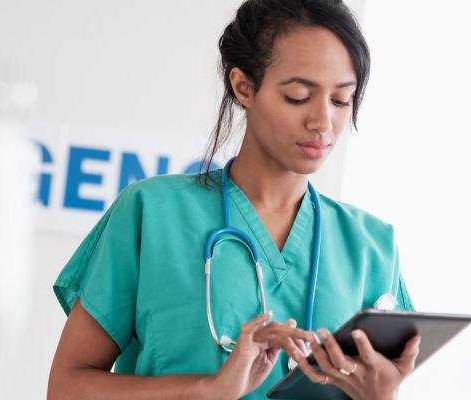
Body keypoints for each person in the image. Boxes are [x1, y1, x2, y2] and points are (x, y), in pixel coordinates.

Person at [48, 0, 420, 399]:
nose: (323, 122)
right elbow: (66, 387)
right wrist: (210, 389)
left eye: (342, 100)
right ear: (243, 86)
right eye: (298, 96)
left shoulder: (372, 247)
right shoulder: (152, 214)